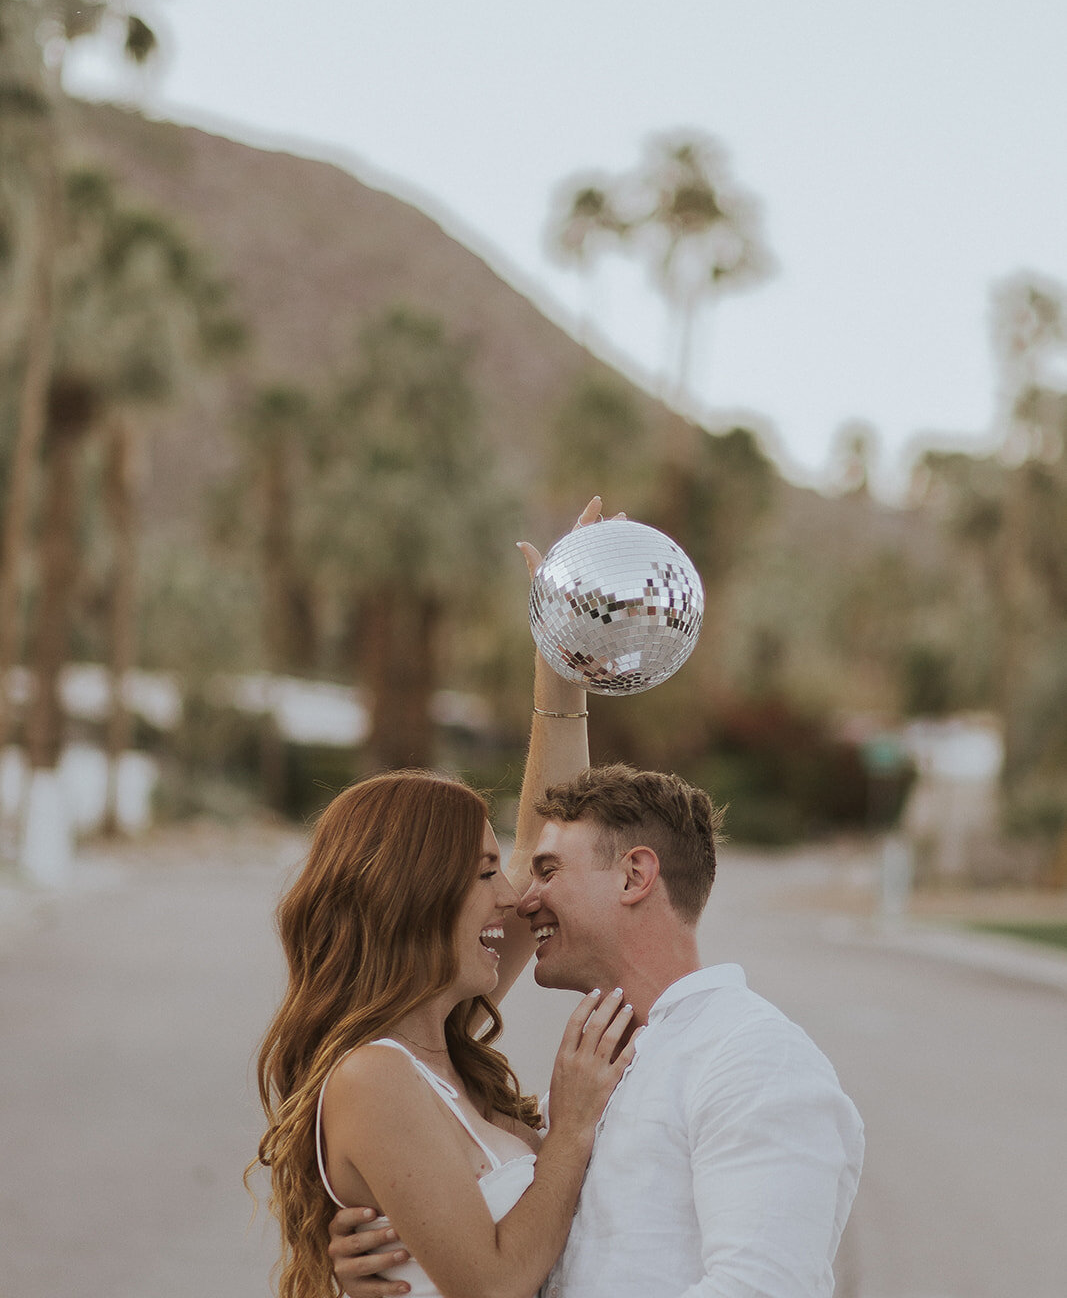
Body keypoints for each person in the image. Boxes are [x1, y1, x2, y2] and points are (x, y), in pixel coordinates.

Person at [328, 513, 865, 1298]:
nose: (519, 895)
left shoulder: (749, 1062)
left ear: (634, 876)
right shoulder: (583, 1087)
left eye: (546, 868)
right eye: (509, 872)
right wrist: (407, 1247)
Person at [252, 499, 636, 1298]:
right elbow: (493, 1287)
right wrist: (567, 1133)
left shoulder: (432, 1051)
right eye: (482, 873)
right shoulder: (374, 1077)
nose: (515, 897)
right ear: (414, 897)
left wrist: (559, 668)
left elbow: (546, 842)